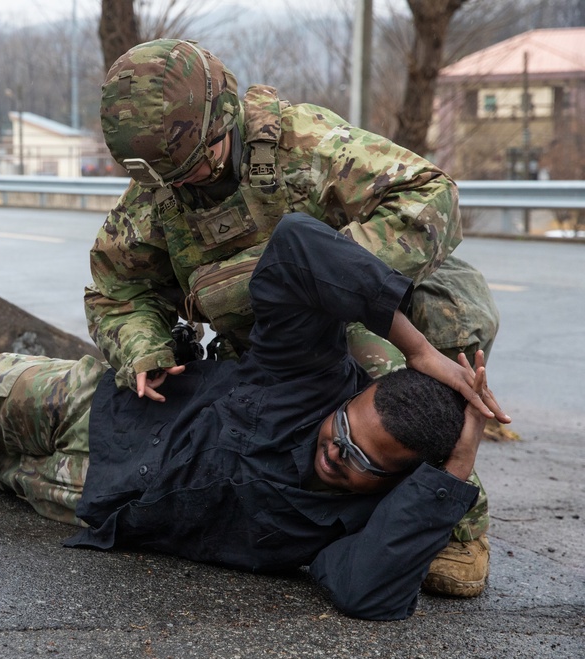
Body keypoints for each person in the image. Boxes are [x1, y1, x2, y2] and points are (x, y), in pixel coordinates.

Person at [0, 214, 509, 621]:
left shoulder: (356, 526)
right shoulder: (311, 376)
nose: (336, 449)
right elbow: (296, 245)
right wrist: (417, 347)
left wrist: (458, 465)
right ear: (350, 398)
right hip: (104, 404)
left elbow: (368, 593)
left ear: (398, 478)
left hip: (95, 497)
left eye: (361, 459)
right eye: (343, 427)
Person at [86, 39, 501, 597]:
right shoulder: (158, 190)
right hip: (271, 351)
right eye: (167, 177)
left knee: (401, 366)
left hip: (357, 310)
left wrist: (321, 275)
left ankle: (461, 525)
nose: (181, 184)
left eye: (193, 165)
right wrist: (143, 347)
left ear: (222, 119)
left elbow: (429, 197)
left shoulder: (302, 144)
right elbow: (117, 289)